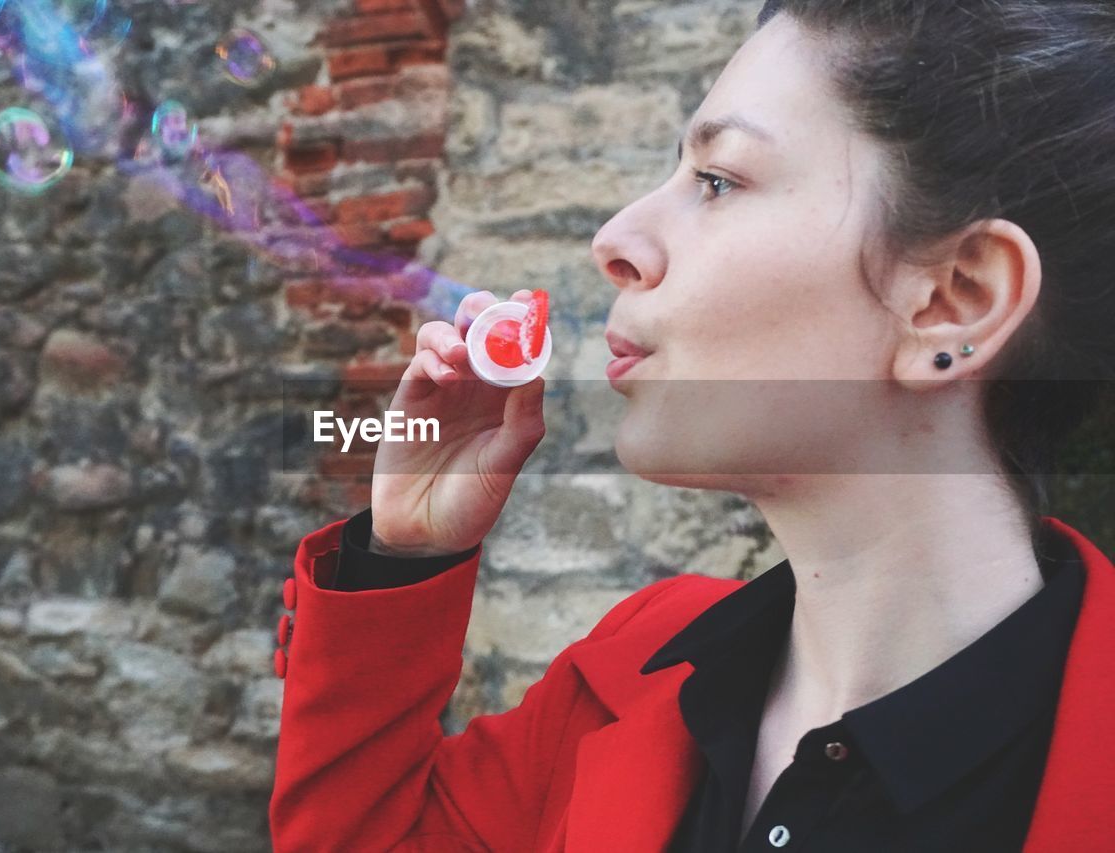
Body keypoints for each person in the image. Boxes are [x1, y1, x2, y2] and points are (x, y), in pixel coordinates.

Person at [268, 1, 1115, 850]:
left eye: (718, 180)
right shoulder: (634, 670)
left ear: (953, 299)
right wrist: (405, 557)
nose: (614, 240)